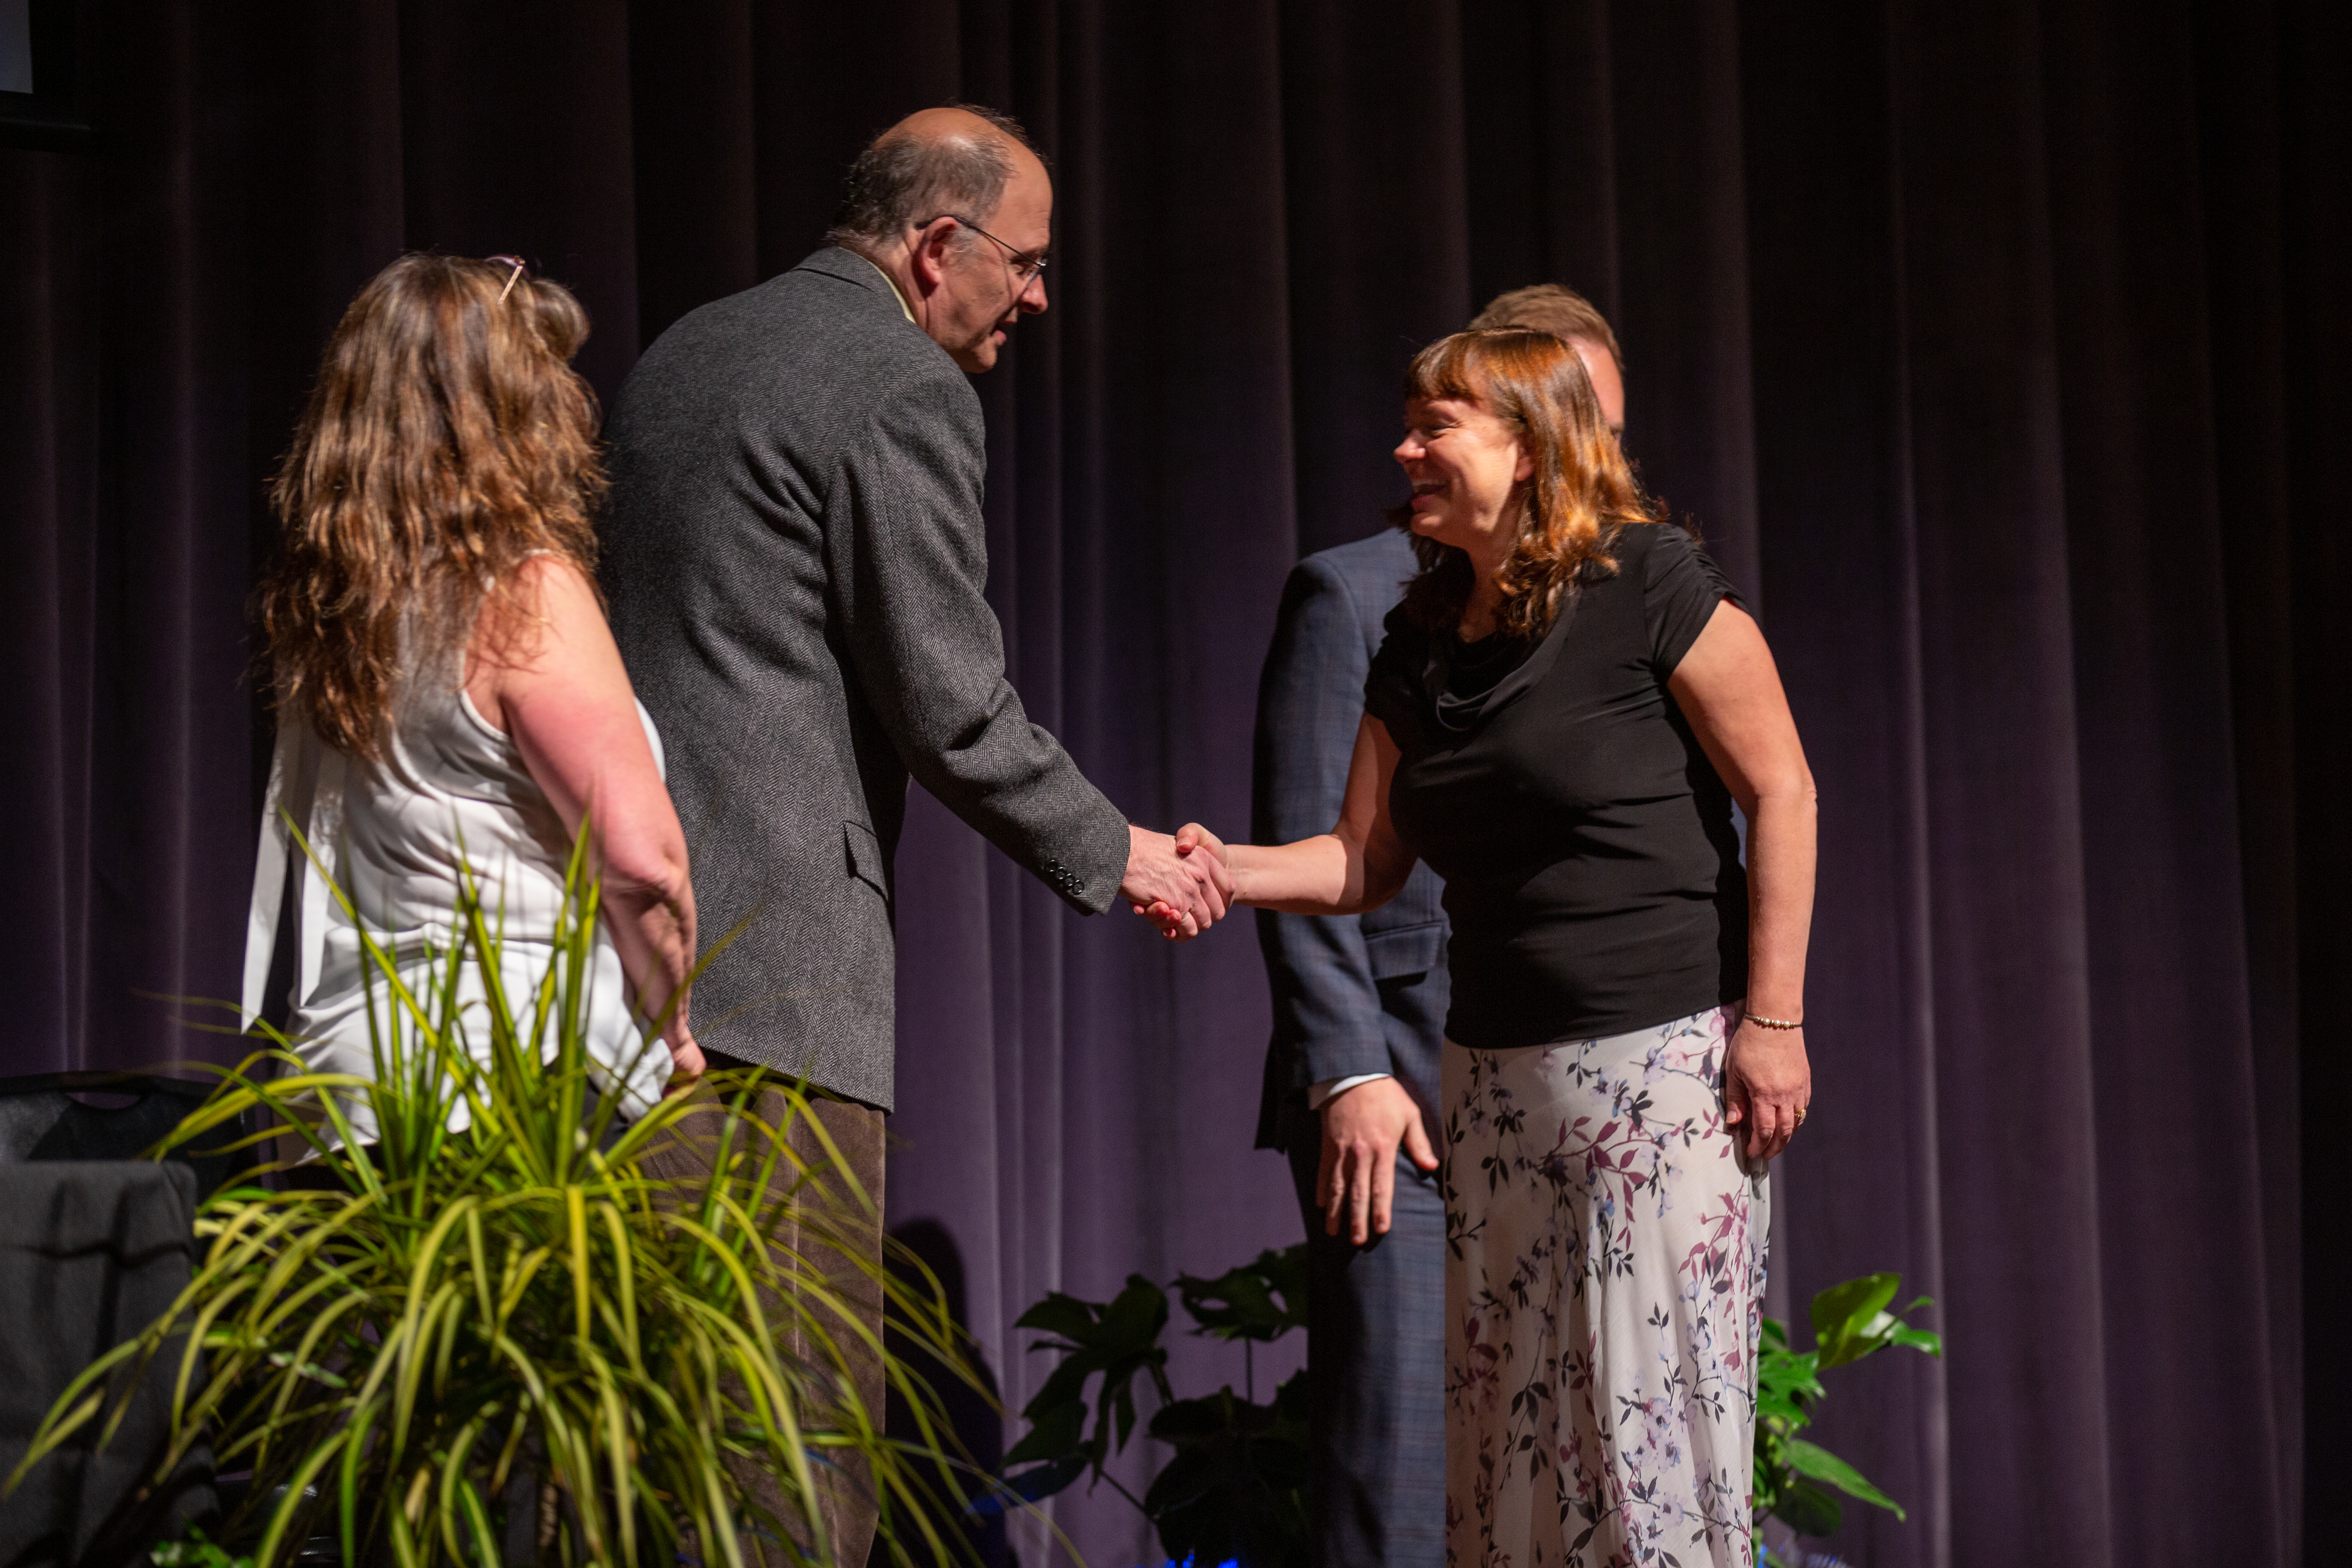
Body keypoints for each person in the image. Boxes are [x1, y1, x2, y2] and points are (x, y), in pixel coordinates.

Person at [598, 104, 1229, 1563]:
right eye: (1026, 260)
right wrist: (1118, 847)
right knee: (790, 1430)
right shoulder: (896, 386)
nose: (1040, 294)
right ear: (939, 244)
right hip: (781, 995)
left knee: (648, 1427)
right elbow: (948, 701)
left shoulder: (686, 349)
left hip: (626, 972)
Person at [1189, 327, 1814, 1568]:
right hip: (1493, 1099)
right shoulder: (1420, 637)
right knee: (1512, 1470)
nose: (1403, 448)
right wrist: (1211, 867)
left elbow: (1782, 789)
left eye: (1437, 427)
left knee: (1647, 1464)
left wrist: (1776, 1020)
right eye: (1409, 423)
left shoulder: (1649, 578)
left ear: (1525, 451)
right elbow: (1361, 863)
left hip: (1657, 1085)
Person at [1250, 285, 1628, 1568]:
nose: (1602, 463)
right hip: (1404, 1108)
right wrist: (1346, 1069)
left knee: (1587, 1480)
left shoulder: (1641, 607)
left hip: (1593, 1098)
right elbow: (1329, 851)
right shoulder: (1354, 600)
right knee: (1403, 1486)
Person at [242, 252, 700, 1142]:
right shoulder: (524, 590)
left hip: (346, 1092)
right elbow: (643, 864)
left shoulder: (339, 607)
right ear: (508, 409)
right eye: (550, 377)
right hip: (517, 1087)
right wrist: (674, 1028)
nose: (574, 400)